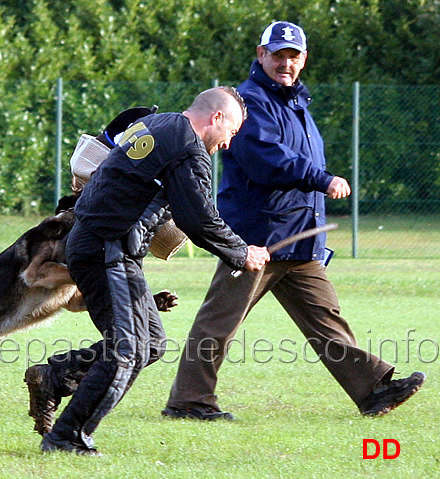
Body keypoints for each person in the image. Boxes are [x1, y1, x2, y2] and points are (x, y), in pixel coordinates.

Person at [163, 21, 425, 421]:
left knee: (326, 319)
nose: (286, 62)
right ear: (261, 55)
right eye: (278, 54)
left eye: (294, 55)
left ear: (303, 60)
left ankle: (373, 389)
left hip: (299, 238)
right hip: (258, 238)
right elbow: (265, 159)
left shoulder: (297, 102)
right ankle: (188, 402)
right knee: (219, 321)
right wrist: (323, 179)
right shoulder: (248, 102)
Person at [24, 86, 270, 455]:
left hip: (104, 245)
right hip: (108, 248)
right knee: (127, 349)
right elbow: (198, 218)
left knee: (150, 342)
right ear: (216, 117)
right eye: (231, 132)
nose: (228, 144)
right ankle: (67, 437)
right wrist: (241, 252)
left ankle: (57, 376)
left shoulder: (157, 124)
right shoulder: (188, 147)